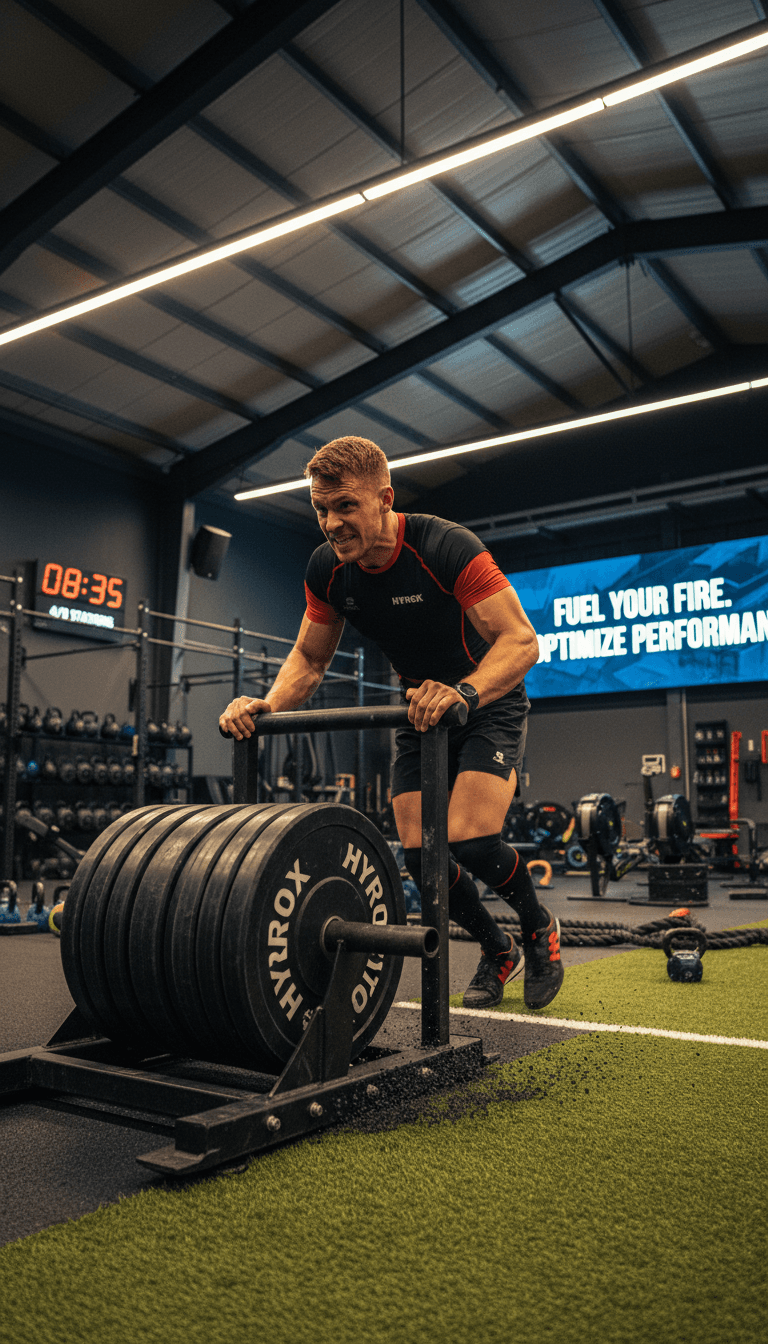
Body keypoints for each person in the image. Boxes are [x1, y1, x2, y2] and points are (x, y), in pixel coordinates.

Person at [219, 436, 563, 1011]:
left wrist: (464, 692)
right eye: (320, 508)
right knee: (419, 855)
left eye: (346, 506)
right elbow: (309, 660)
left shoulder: (445, 546)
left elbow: (521, 641)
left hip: (485, 697)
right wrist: (266, 706)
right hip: (418, 710)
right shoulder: (327, 570)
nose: (331, 522)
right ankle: (497, 950)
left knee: (471, 839)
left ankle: (537, 927)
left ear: (385, 498)